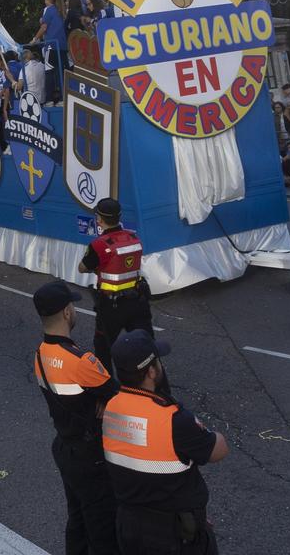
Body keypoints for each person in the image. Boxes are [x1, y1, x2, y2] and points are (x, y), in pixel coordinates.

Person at [101, 331, 228, 554]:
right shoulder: (173, 420)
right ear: (151, 371)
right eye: (158, 361)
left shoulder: (112, 408)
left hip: (129, 525)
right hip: (174, 535)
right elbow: (218, 451)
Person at [32, 280, 119, 555]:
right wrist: (106, 400)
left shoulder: (40, 354)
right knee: (103, 528)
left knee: (78, 519)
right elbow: (122, 396)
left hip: (66, 449)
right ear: (67, 312)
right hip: (91, 457)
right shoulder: (81, 362)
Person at [79, 198, 151, 371]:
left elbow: (82, 268)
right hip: (137, 301)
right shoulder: (133, 238)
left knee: (103, 349)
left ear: (99, 219)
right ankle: (154, 386)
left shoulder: (99, 245)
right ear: (119, 216)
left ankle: (107, 391)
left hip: (111, 306)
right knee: (146, 347)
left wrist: (98, 269)